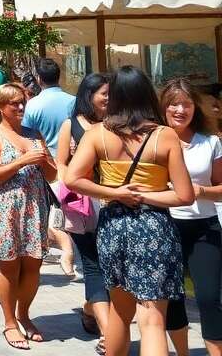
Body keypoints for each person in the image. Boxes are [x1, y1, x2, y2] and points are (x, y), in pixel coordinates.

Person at [67, 66, 194, 356]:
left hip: (113, 226)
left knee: (120, 314)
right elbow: (185, 195)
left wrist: (115, 193)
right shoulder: (164, 136)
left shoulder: (98, 133)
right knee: (152, 321)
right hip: (154, 228)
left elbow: (73, 178)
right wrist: (147, 192)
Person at [0, 83, 57, 350]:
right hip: (5, 208)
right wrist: (22, 161)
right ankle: (10, 321)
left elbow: (52, 175)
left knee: (34, 264)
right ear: (1, 107)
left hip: (34, 206)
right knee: (9, 266)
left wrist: (44, 160)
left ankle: (25, 314)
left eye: (22, 102)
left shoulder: (34, 135)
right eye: (14, 103)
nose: (21, 107)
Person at [160, 79, 222, 356]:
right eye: (174, 103)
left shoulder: (210, 143)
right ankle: (182, 353)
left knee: (209, 297)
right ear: (163, 107)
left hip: (204, 226)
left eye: (186, 104)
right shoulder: (152, 140)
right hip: (165, 225)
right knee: (173, 297)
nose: (180, 110)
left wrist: (201, 190)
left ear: (195, 108)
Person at [55, 72, 111, 349]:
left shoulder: (116, 124)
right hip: (83, 206)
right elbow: (60, 163)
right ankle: (107, 333)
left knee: (109, 266)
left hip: (114, 203)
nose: (109, 99)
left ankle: (91, 308)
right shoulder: (71, 125)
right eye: (105, 94)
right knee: (93, 264)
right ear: (89, 96)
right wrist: (71, 186)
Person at [24, 58, 77, 277]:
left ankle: (63, 248)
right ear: (59, 76)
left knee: (47, 209)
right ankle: (66, 244)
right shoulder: (73, 101)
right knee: (68, 209)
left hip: (44, 163)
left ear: (38, 79)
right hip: (72, 164)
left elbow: (26, 135)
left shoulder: (33, 105)